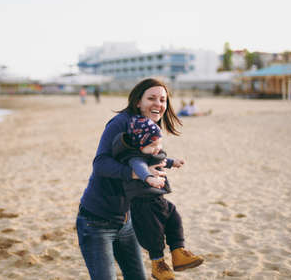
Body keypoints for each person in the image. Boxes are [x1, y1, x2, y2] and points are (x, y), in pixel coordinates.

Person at [76, 78, 182, 280]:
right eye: (151, 98)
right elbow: (100, 164)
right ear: (137, 102)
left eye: (162, 100)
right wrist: (140, 173)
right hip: (97, 222)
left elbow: (145, 161)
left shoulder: (148, 128)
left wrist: (163, 166)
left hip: (128, 221)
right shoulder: (121, 123)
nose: (158, 104)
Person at [112, 115, 204, 280]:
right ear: (139, 144)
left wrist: (173, 162)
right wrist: (149, 178)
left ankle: (178, 252)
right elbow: (140, 168)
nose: (157, 148)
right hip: (143, 203)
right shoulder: (135, 158)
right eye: (152, 144)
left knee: (174, 218)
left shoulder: (150, 152)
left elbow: (161, 159)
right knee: (153, 233)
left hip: (158, 199)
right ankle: (158, 264)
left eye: (159, 143)